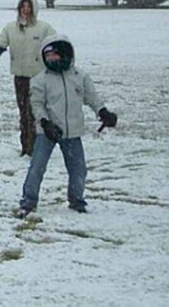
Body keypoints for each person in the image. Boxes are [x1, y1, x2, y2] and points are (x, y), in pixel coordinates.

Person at [16, 35, 117, 218]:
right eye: (47, 57)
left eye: (54, 55)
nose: (51, 59)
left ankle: (76, 200)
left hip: (72, 132)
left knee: (79, 169)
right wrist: (46, 124)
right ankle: (28, 202)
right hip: (48, 132)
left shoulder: (80, 77)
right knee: (37, 167)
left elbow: (91, 98)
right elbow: (37, 106)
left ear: (65, 54)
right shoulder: (40, 80)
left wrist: (103, 112)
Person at [0, 0, 56, 156]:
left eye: (29, 7)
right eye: (23, 7)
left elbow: (55, 44)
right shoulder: (11, 28)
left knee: (34, 113)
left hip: (38, 77)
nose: (25, 10)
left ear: (34, 9)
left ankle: (35, 147)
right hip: (20, 77)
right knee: (23, 113)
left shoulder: (43, 28)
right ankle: (26, 147)